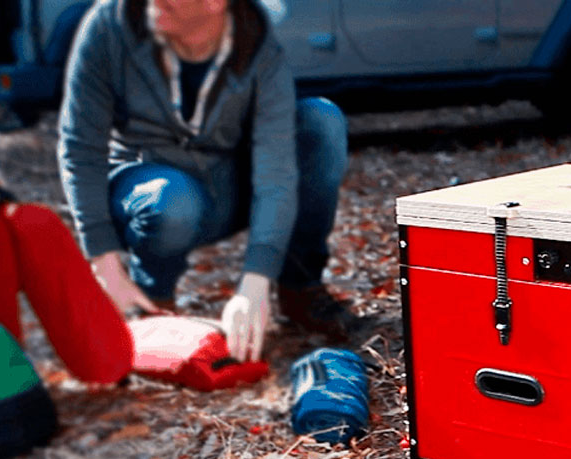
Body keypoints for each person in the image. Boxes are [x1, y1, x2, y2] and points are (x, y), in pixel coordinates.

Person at [57, 0, 351, 364]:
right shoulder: (109, 24)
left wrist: (255, 281)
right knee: (170, 199)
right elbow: (79, 148)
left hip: (226, 181)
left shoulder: (257, 42)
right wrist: (105, 264)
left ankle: (301, 290)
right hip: (149, 184)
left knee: (320, 121)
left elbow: (276, 168)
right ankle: (152, 305)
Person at [0, 184, 133, 459]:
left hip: (19, 411)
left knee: (32, 223)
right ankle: (108, 364)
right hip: (31, 414)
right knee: (33, 222)